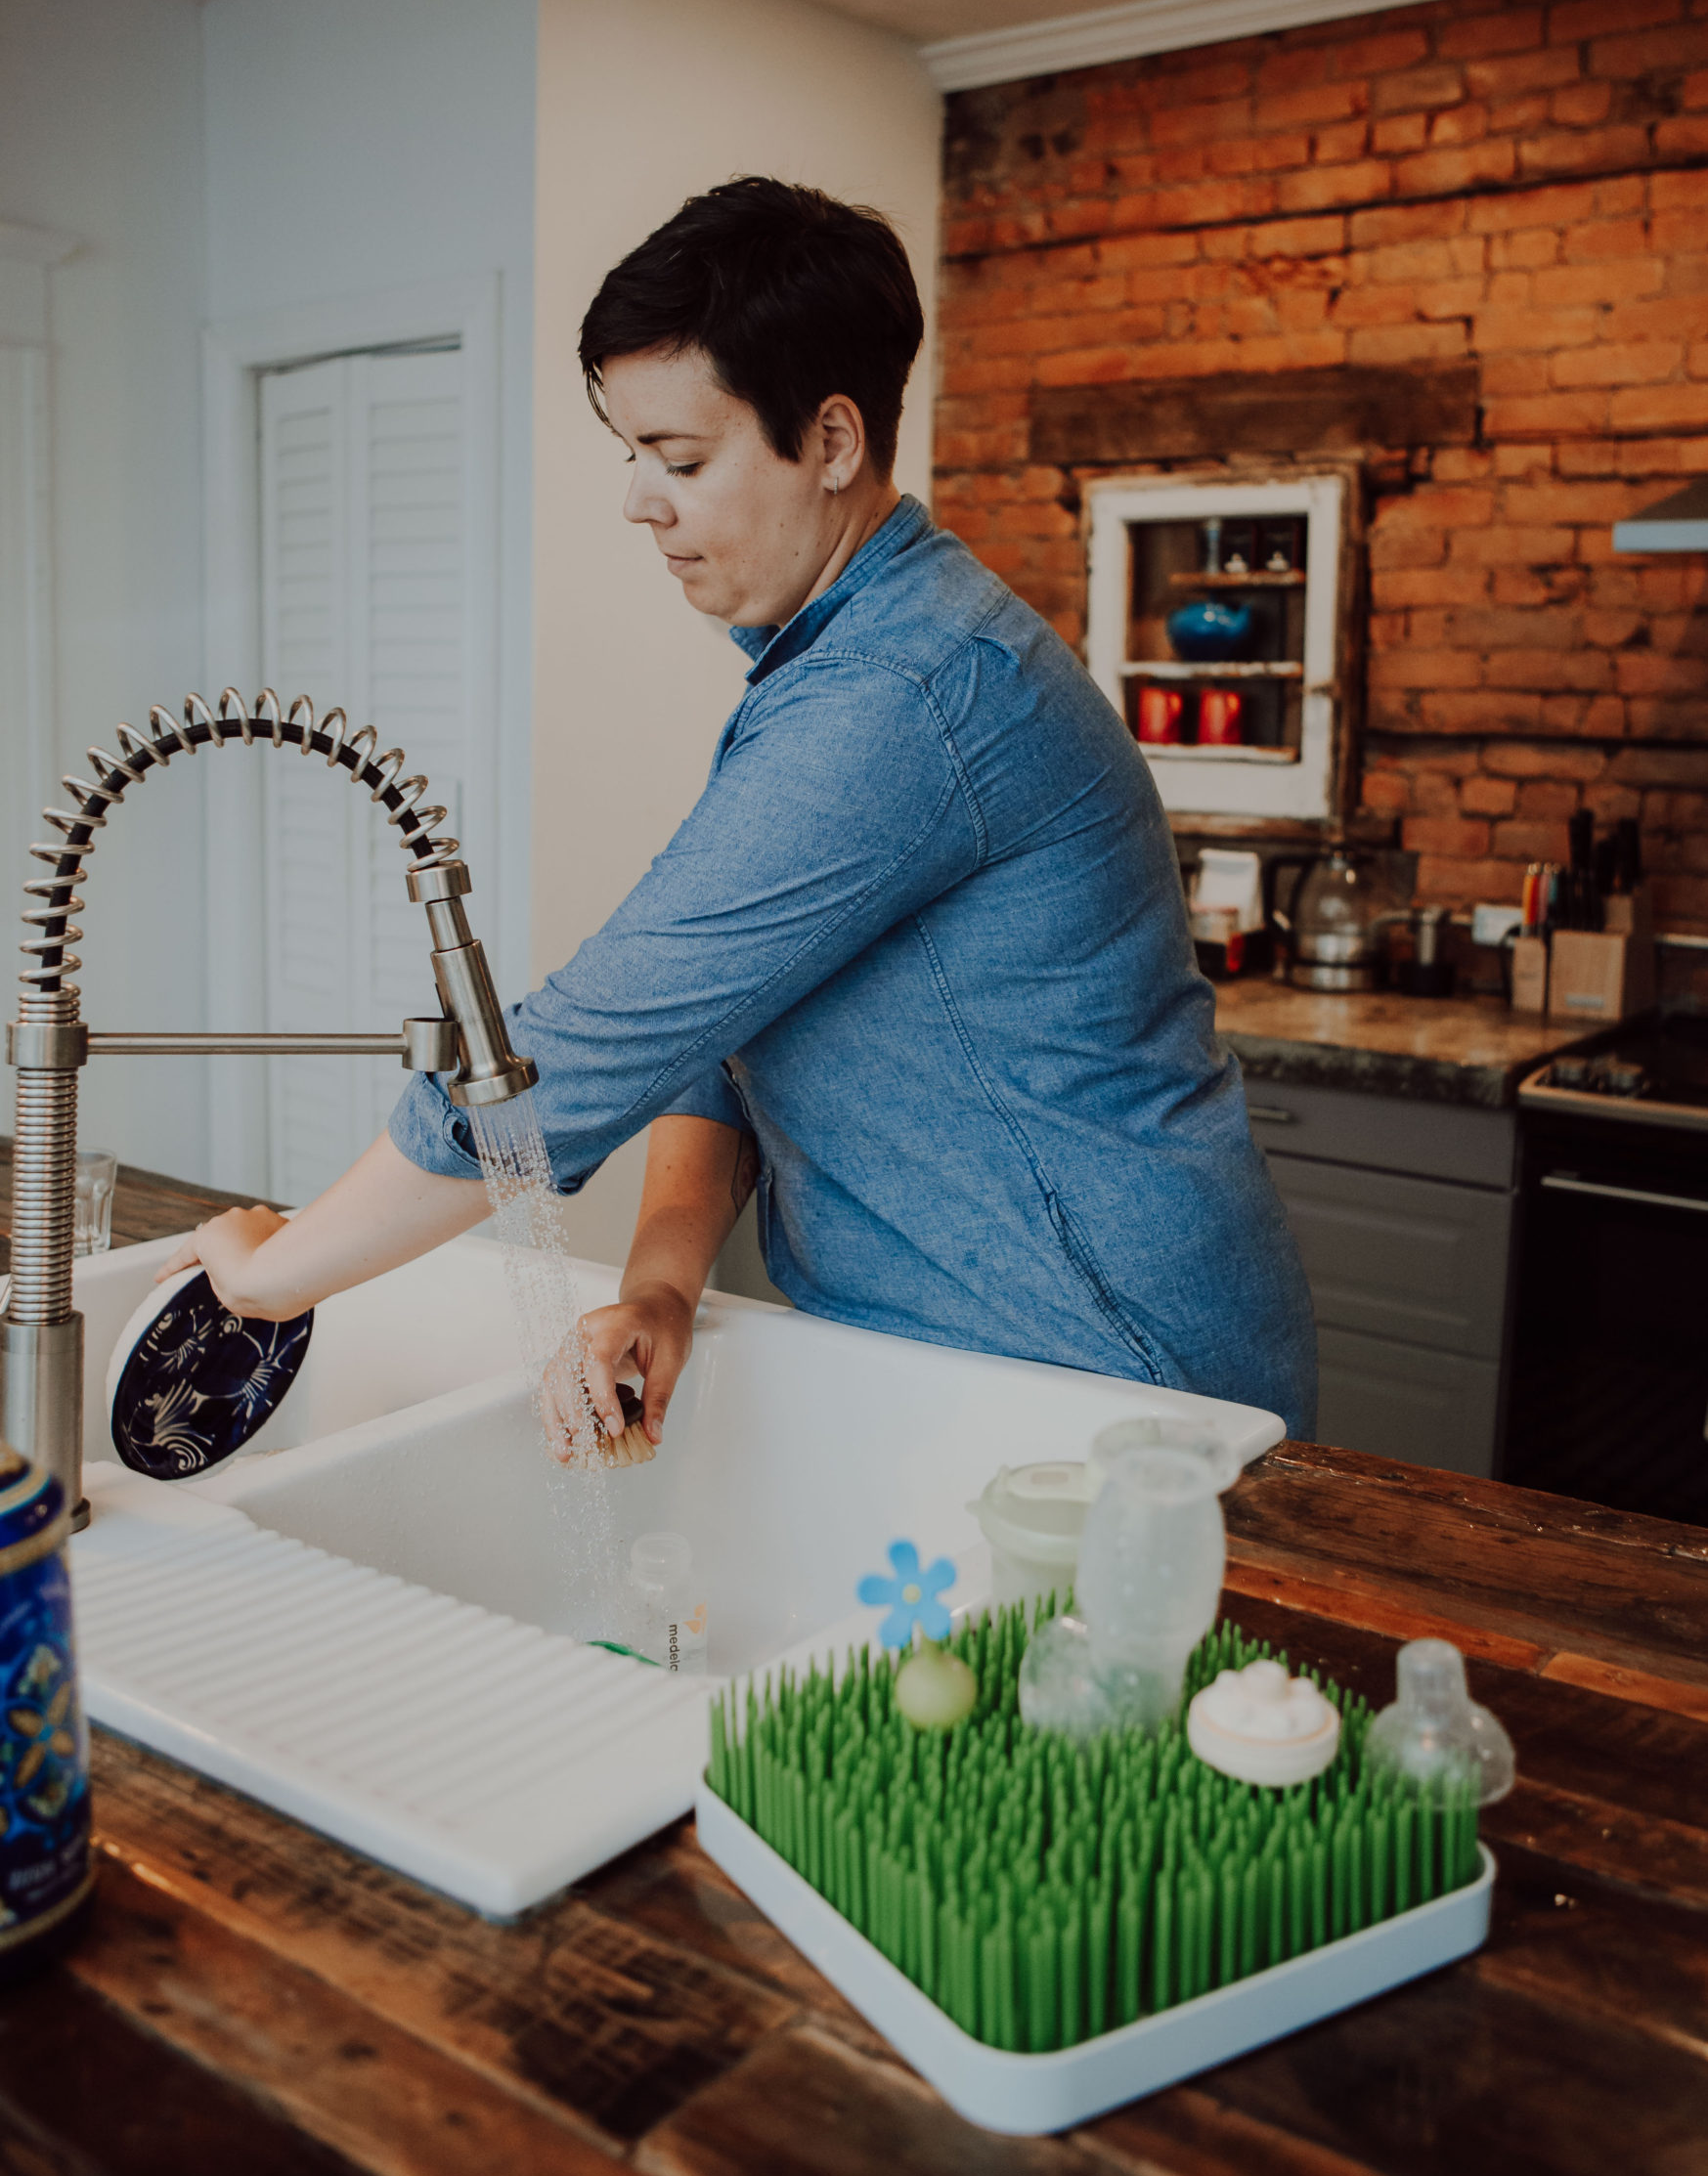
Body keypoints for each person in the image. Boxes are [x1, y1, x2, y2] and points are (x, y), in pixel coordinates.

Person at [166, 177, 1316, 1444]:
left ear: (831, 441)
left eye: (681, 459)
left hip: (1105, 1361)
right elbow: (716, 1028)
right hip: (962, 1349)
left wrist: (267, 1275)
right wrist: (661, 1281)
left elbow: (585, 1052)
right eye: (633, 456)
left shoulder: (897, 695)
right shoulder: (831, 659)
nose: (638, 502)